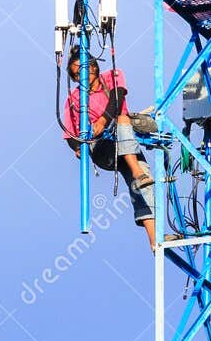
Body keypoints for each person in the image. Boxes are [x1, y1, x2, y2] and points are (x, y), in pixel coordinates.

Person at [62, 49, 157, 249]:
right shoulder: (74, 100)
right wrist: (77, 147)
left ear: (94, 67)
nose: (82, 77)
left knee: (145, 186)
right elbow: (69, 133)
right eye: (77, 74)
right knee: (123, 124)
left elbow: (117, 99)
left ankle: (154, 241)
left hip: (124, 138)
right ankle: (136, 171)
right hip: (102, 148)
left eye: (84, 70)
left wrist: (103, 121)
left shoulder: (113, 76)